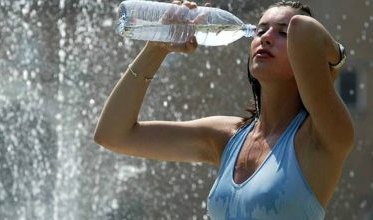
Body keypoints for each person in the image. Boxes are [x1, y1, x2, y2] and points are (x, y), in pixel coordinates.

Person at [94, 1, 354, 219]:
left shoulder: (323, 137)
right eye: (261, 31)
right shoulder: (228, 136)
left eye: (283, 33)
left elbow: (304, 28)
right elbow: (113, 134)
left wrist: (335, 60)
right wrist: (158, 46)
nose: (265, 37)